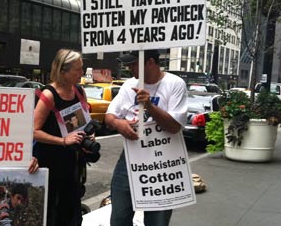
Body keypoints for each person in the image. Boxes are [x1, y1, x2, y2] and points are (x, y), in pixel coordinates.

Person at [104, 50, 187, 226]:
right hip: (130, 158)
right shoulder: (129, 85)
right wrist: (119, 125)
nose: (129, 68)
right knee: (119, 217)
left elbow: (174, 127)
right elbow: (109, 116)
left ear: (150, 62)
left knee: (157, 220)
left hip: (163, 164)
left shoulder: (174, 84)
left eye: (134, 64)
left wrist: (149, 106)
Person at [33, 48, 91, 226]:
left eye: (82, 68)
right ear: (63, 71)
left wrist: (90, 136)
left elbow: (84, 123)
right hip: (50, 163)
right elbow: (33, 131)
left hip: (73, 164)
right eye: (77, 69)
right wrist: (63, 141)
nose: (81, 73)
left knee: (71, 212)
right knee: (51, 212)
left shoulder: (79, 91)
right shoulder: (48, 94)